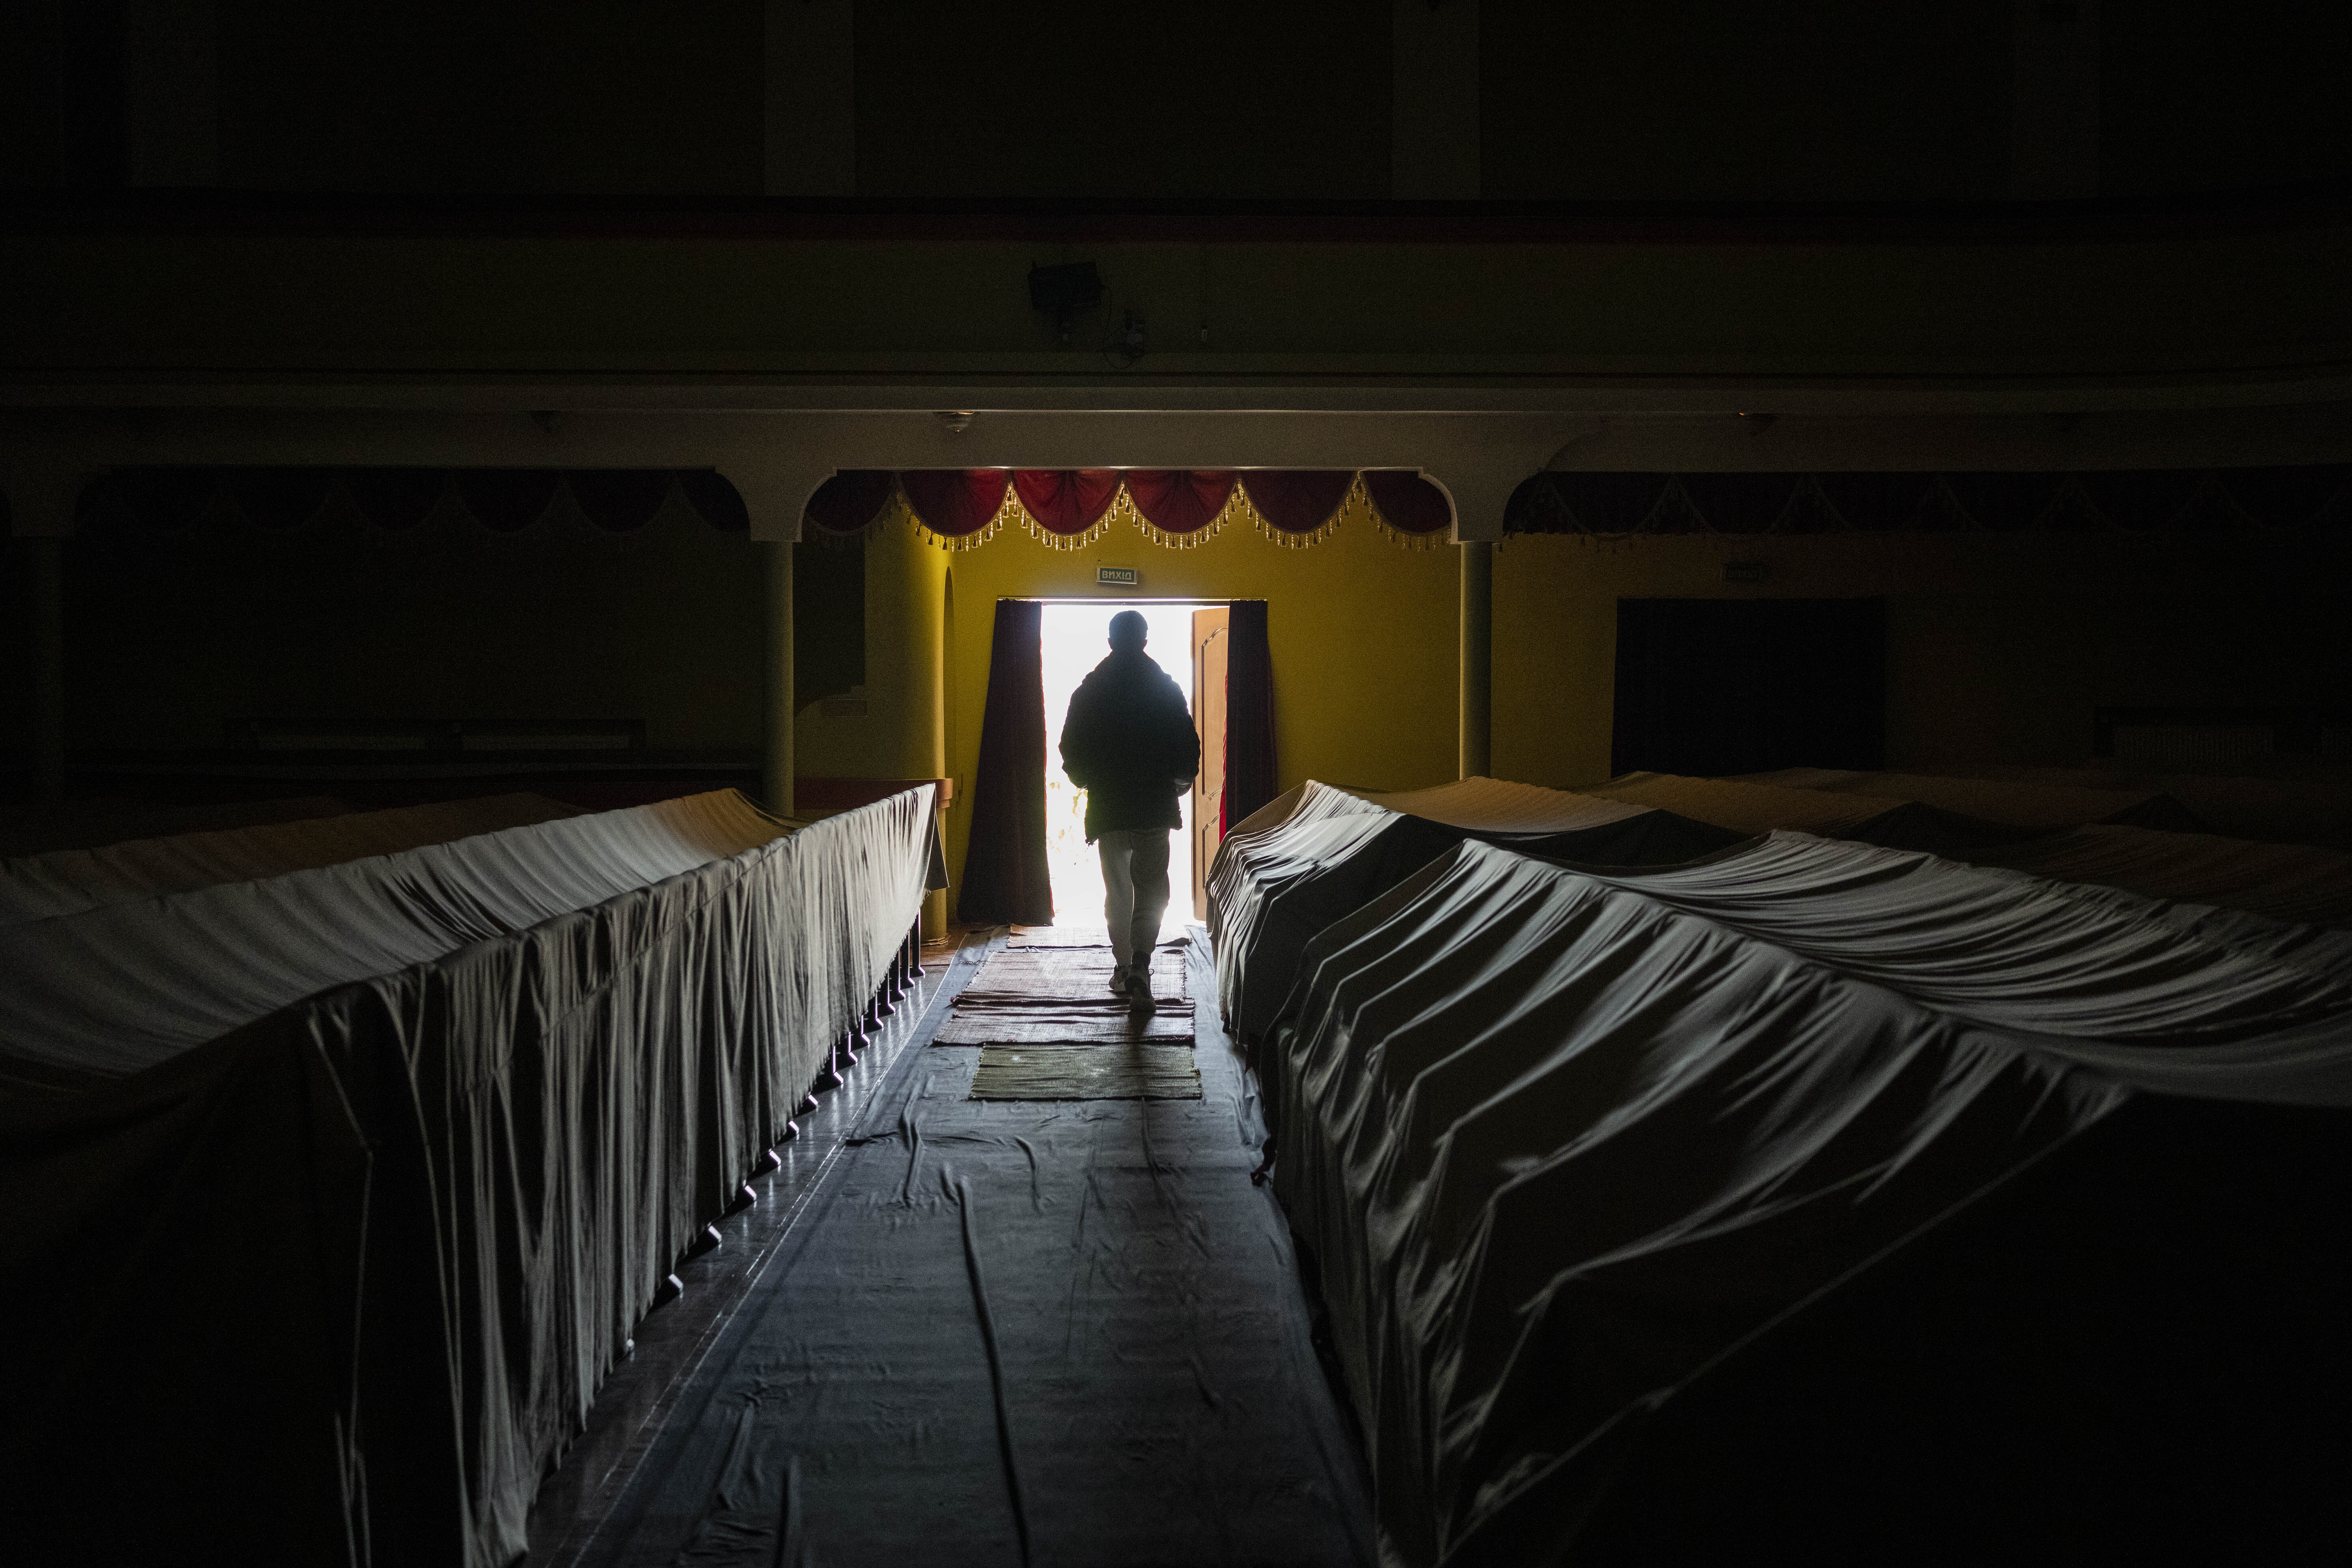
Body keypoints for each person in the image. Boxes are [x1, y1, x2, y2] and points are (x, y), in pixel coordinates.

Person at [1059, 610, 1202, 1004]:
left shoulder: (1089, 690)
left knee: (1118, 890)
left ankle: (1122, 968)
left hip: (1109, 805)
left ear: (1110, 642)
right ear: (1144, 640)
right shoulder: (1164, 688)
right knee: (1152, 885)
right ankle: (1141, 962)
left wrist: (1086, 781)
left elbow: (1070, 748)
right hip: (1154, 803)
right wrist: (1179, 782)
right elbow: (1188, 748)